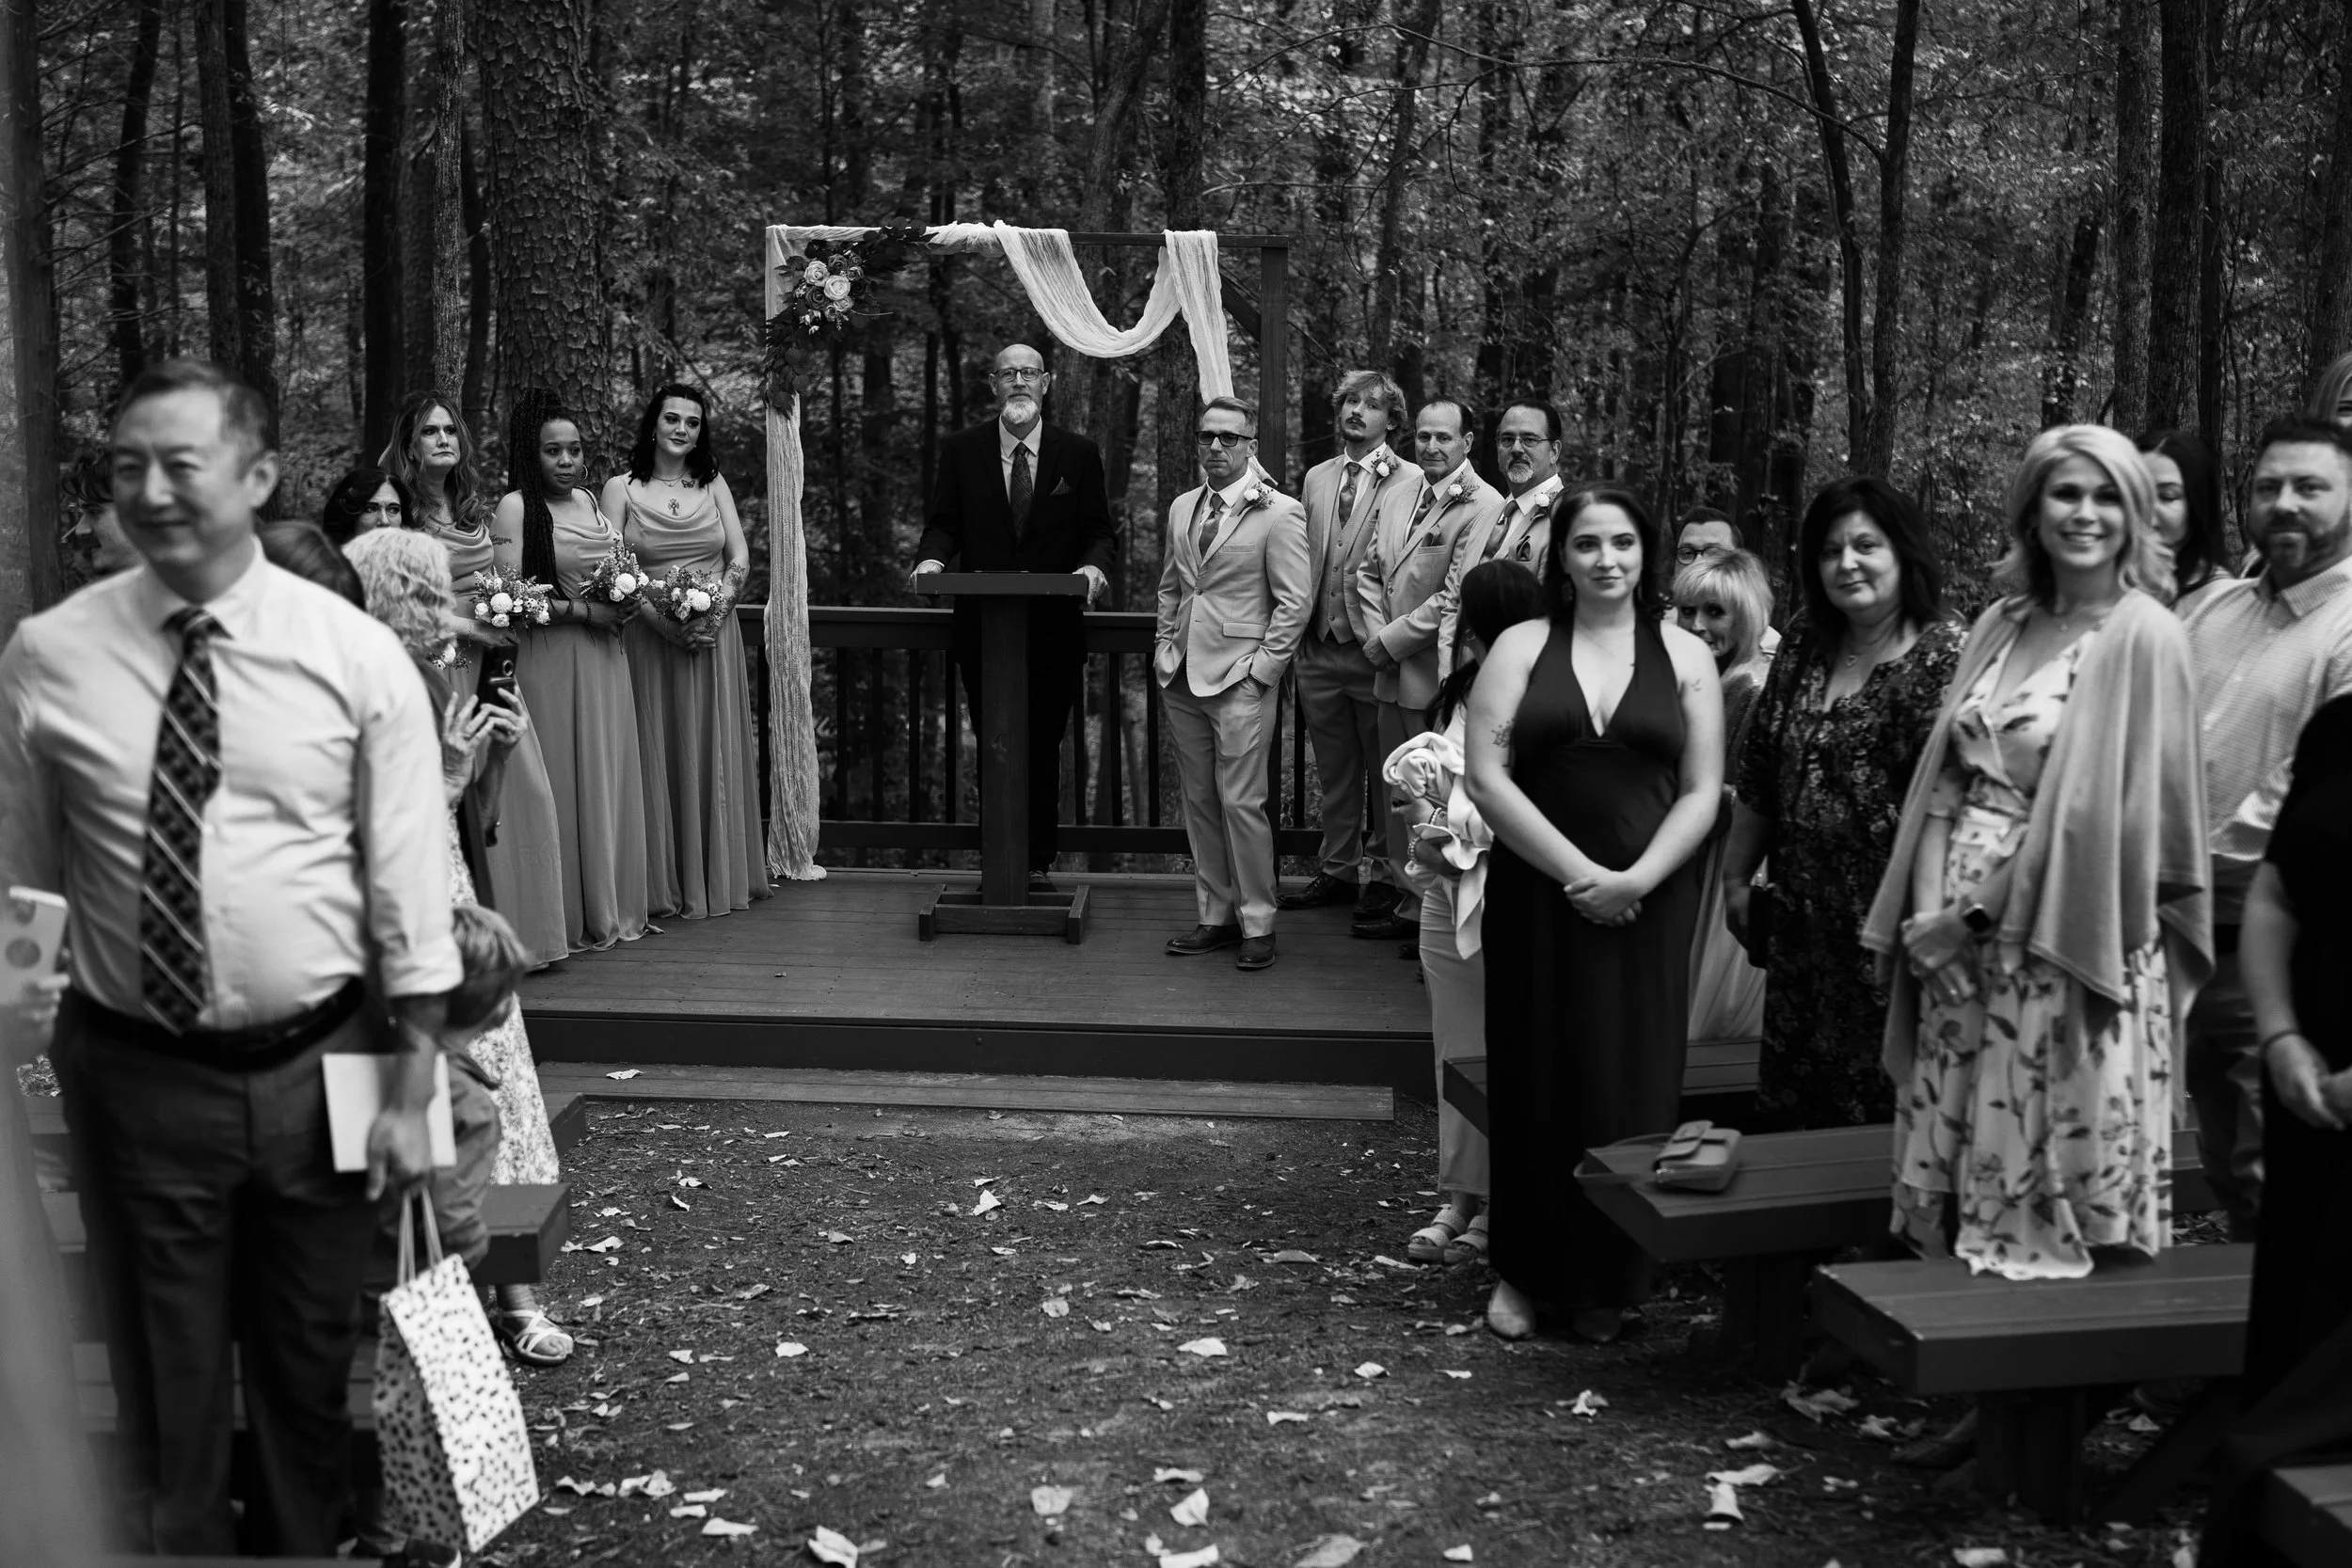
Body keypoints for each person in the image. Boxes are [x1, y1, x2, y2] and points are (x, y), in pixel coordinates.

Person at [0, 359, 458, 1554]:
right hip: (135, 1068)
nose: (149, 491)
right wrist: (14, 1019)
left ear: (254, 477)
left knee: (311, 1374)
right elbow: (25, 875)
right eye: (125, 467)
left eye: (180, 464)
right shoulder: (50, 654)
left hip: (331, 1057)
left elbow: (409, 879)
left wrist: (414, 1082)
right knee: (169, 1386)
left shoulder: (354, 656)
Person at [1860, 424, 2211, 1278]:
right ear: (2032, 508)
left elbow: (2112, 821)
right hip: (1953, 943)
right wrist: (1925, 924)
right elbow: (1942, 780)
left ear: (2133, 515)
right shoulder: (1999, 622)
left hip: (2064, 932)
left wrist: (1969, 919)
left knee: (2051, 1152)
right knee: (1961, 1144)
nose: (2083, 513)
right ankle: (1969, 1378)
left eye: (2104, 496)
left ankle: (2045, 1391)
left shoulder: (2146, 636)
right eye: (2065, 493)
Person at [1469, 486, 1724, 1343]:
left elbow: (1701, 790)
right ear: (1563, 557)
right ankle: (1525, 1270)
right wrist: (1582, 874)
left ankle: (1615, 1275)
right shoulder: (1521, 645)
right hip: (1541, 894)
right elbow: (1488, 777)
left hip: (1650, 902)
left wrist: (1637, 879)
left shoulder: (1686, 654)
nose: (1606, 559)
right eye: (1587, 544)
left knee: (1630, 1077)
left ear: (1646, 553)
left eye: (1622, 542)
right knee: (1537, 1071)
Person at [344, 524, 579, 1364]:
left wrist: (493, 761)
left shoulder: (430, 681)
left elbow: (474, 819)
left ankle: (514, 1292)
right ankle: (419, 1310)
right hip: (395, 916)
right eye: (432, 588)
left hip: (449, 894)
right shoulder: (354, 692)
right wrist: (447, 778)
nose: (450, 606)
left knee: (493, 1092)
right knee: (414, 1099)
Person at [1723, 477, 1964, 1131]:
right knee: (1798, 1118)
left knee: (1885, 1117)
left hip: (1894, 935)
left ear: (1904, 552)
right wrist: (1737, 878)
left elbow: (1965, 809)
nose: (1846, 562)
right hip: (1802, 929)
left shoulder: (1946, 656)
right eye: (1831, 550)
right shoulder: (1806, 640)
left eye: (1866, 545)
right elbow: (1763, 764)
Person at [2178, 415, 2352, 1240]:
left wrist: (2180, 859)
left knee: (2277, 1159)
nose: (2285, 503)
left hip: (2277, 941)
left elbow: (2313, 791)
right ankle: (2230, 1353)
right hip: (2180, 929)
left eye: (2310, 486)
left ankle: (2284, 1360)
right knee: (2219, 1151)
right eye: (2269, 486)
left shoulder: (2349, 626)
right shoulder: (2212, 611)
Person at [2196, 695, 2352, 1567]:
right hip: (2311, 1096)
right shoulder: (2339, 728)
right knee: (2297, 1315)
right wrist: (2282, 1031)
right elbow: (2278, 891)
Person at [1389, 559, 1546, 1268]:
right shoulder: (1461, 688)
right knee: (1454, 1049)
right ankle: (1459, 1197)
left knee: (1502, 1048)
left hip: (1500, 886)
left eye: (1462, 611)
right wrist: (1424, 811)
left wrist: (1451, 818)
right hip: (1442, 887)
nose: (1454, 622)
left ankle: (1506, 1203)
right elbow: (1431, 780)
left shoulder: (1541, 692)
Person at [912, 343, 1116, 883]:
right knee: (994, 740)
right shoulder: (962, 449)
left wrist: (1093, 569)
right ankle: (997, 859)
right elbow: (944, 523)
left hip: (1053, 631)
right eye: (1009, 374)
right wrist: (931, 560)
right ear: (993, 384)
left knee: (1043, 744)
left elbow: (1098, 532)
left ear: (1046, 383)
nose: (1019, 381)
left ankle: (1036, 862)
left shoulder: (1078, 453)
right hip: (983, 630)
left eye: (1029, 373)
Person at [382, 389, 570, 969]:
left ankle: (524, 936)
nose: (443, 440)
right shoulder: (400, 512)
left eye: (449, 431)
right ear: (409, 446)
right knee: (461, 793)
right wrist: (468, 626)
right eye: (429, 432)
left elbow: (490, 578)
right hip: (439, 666)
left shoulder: (466, 507)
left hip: (490, 663)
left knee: (525, 791)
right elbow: (394, 598)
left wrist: (506, 607)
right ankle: (466, 941)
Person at [1154, 395, 1312, 971]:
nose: (1215, 447)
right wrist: (1162, 647)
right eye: (1206, 437)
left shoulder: (1280, 512)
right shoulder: (1181, 508)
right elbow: (1173, 587)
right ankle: (1215, 916)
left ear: (1250, 445)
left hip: (1242, 680)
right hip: (1182, 676)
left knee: (1243, 802)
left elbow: (1294, 604)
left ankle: (1259, 922)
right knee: (1199, 802)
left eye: (1228, 438)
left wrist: (1262, 672)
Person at [602, 385, 771, 921]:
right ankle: (659, 881)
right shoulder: (619, 489)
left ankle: (714, 871)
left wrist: (714, 614)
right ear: (653, 425)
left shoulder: (713, 483)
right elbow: (616, 571)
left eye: (693, 422)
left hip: (712, 637)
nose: (681, 429)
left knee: (709, 746)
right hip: (648, 638)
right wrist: (665, 626)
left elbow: (739, 557)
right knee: (655, 744)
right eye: (672, 418)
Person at [494, 389, 652, 952]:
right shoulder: (517, 508)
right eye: (552, 452)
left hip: (606, 661)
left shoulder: (589, 500)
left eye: (574, 450)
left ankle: (606, 902)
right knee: (562, 782)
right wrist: (590, 610)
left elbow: (618, 566)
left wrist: (628, 600)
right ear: (530, 455)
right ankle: (558, 915)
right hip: (553, 663)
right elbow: (512, 598)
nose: (565, 462)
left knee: (604, 777)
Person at [1355, 398, 1507, 946]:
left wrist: (1390, 642)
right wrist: (1378, 641)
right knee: (1395, 789)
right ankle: (1404, 891)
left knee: (1435, 791)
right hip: (1389, 671)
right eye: (1424, 437)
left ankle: (1429, 906)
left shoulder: (1485, 503)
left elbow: (1454, 597)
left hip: (1435, 673)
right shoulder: (1397, 493)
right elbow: (1368, 571)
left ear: (1468, 442)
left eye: (1445, 437)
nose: (1432, 447)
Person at [1281, 371, 1417, 919]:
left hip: (1373, 651)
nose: (1358, 411)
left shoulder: (1410, 480)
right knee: (1334, 770)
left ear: (1392, 420)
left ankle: (1385, 875)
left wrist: (1383, 640)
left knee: (1385, 770)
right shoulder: (1316, 477)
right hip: (1318, 648)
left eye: (1373, 405)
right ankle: (1337, 869)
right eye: (1351, 402)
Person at [1676, 548, 1774, 1054]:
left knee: (1709, 1033)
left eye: (1715, 613)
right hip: (1698, 866)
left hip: (1724, 874)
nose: (1697, 625)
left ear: (1747, 616)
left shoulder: (1747, 686)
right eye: (1687, 611)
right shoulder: (1706, 679)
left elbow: (1730, 803)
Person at [1434, 396, 1567, 672]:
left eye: (1529, 440)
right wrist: (1447, 674)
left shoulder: (1567, 520)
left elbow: (1550, 619)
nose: (1516, 448)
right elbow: (1453, 603)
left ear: (1554, 450)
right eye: (1507, 440)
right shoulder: (1486, 516)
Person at [2135, 429, 2229, 606]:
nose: (2147, 513)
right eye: (2138, 493)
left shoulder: (2218, 599)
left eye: (2167, 496)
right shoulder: (2106, 582)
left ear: (2197, 505)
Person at [318, 466, 415, 546]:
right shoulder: (329, 567)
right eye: (370, 509)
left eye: (394, 510)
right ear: (349, 518)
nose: (384, 521)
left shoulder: (417, 565)